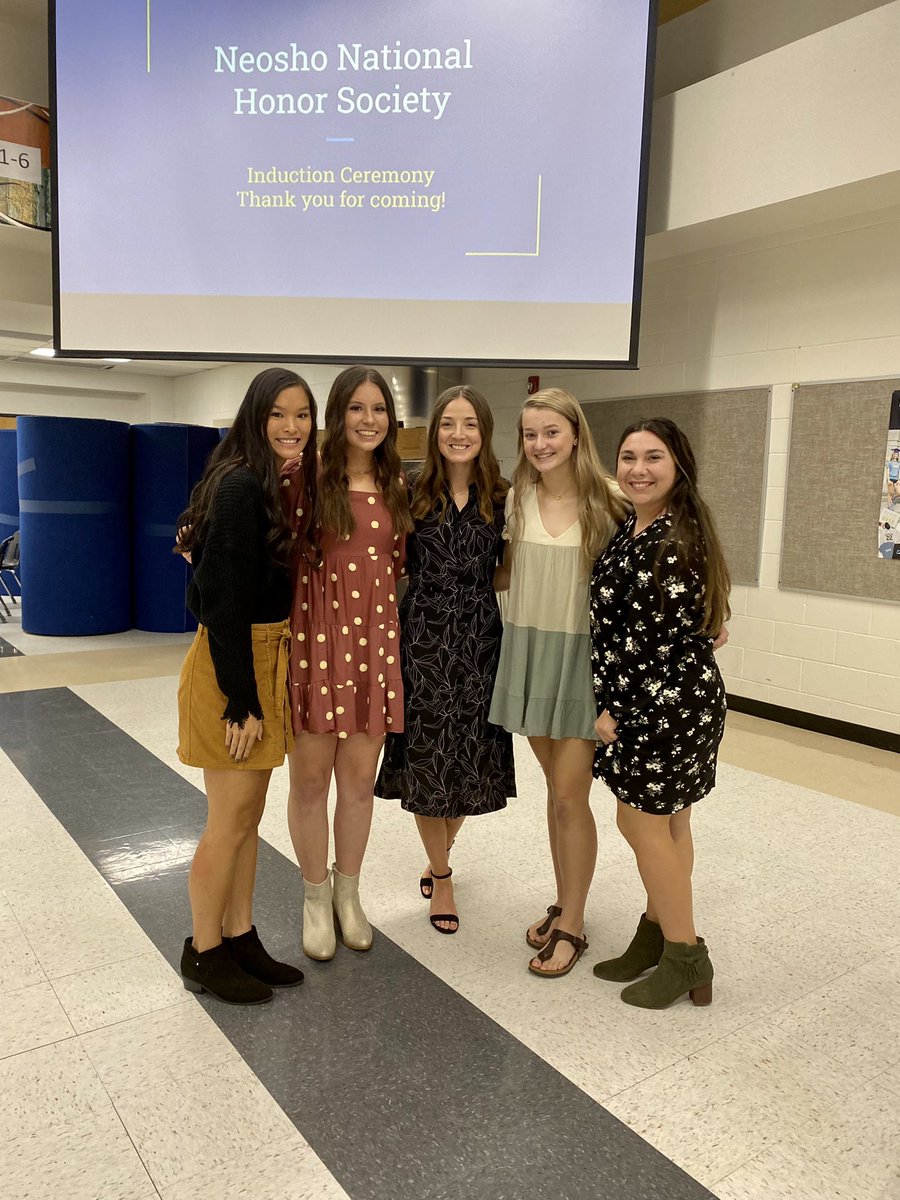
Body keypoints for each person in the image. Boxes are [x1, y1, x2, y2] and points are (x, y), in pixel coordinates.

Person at [177, 368, 318, 1005]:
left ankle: (241, 935)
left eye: (303, 416)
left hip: (268, 654)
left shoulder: (269, 487)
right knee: (229, 819)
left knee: (248, 816)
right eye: (279, 415)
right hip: (238, 667)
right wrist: (242, 701)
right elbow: (222, 606)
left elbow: (204, 580)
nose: (292, 428)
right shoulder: (238, 487)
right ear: (256, 418)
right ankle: (204, 950)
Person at [590, 417, 729, 1009]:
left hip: (663, 706)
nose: (638, 469)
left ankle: (686, 956)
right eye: (628, 457)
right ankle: (656, 936)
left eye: (653, 458)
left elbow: (660, 649)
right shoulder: (639, 525)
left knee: (641, 824)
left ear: (679, 467)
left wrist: (612, 714)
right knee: (671, 825)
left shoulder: (673, 542)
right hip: (672, 701)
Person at [489, 388, 626, 977]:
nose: (540, 444)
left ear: (575, 433)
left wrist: (712, 611)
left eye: (551, 432)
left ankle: (573, 924)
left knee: (571, 796)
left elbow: (669, 560)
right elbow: (493, 571)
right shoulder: (515, 500)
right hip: (528, 654)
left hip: (584, 664)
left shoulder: (613, 501)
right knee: (557, 795)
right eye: (529, 434)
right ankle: (566, 898)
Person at [375, 386, 515, 934]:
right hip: (425, 640)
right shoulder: (408, 491)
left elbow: (503, 570)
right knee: (431, 759)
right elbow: (390, 561)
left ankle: (443, 848)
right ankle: (442, 872)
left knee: (469, 759)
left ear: (484, 433)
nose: (459, 434)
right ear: (435, 433)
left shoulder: (502, 497)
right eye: (449, 424)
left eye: (470, 425)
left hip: (481, 639)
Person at [287, 365, 412, 960]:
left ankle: (348, 894)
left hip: (373, 650)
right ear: (338, 415)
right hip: (314, 646)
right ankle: (314, 896)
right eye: (357, 408)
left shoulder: (398, 487)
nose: (369, 420)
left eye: (379, 409)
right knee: (310, 782)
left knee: (358, 784)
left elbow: (402, 568)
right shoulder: (303, 480)